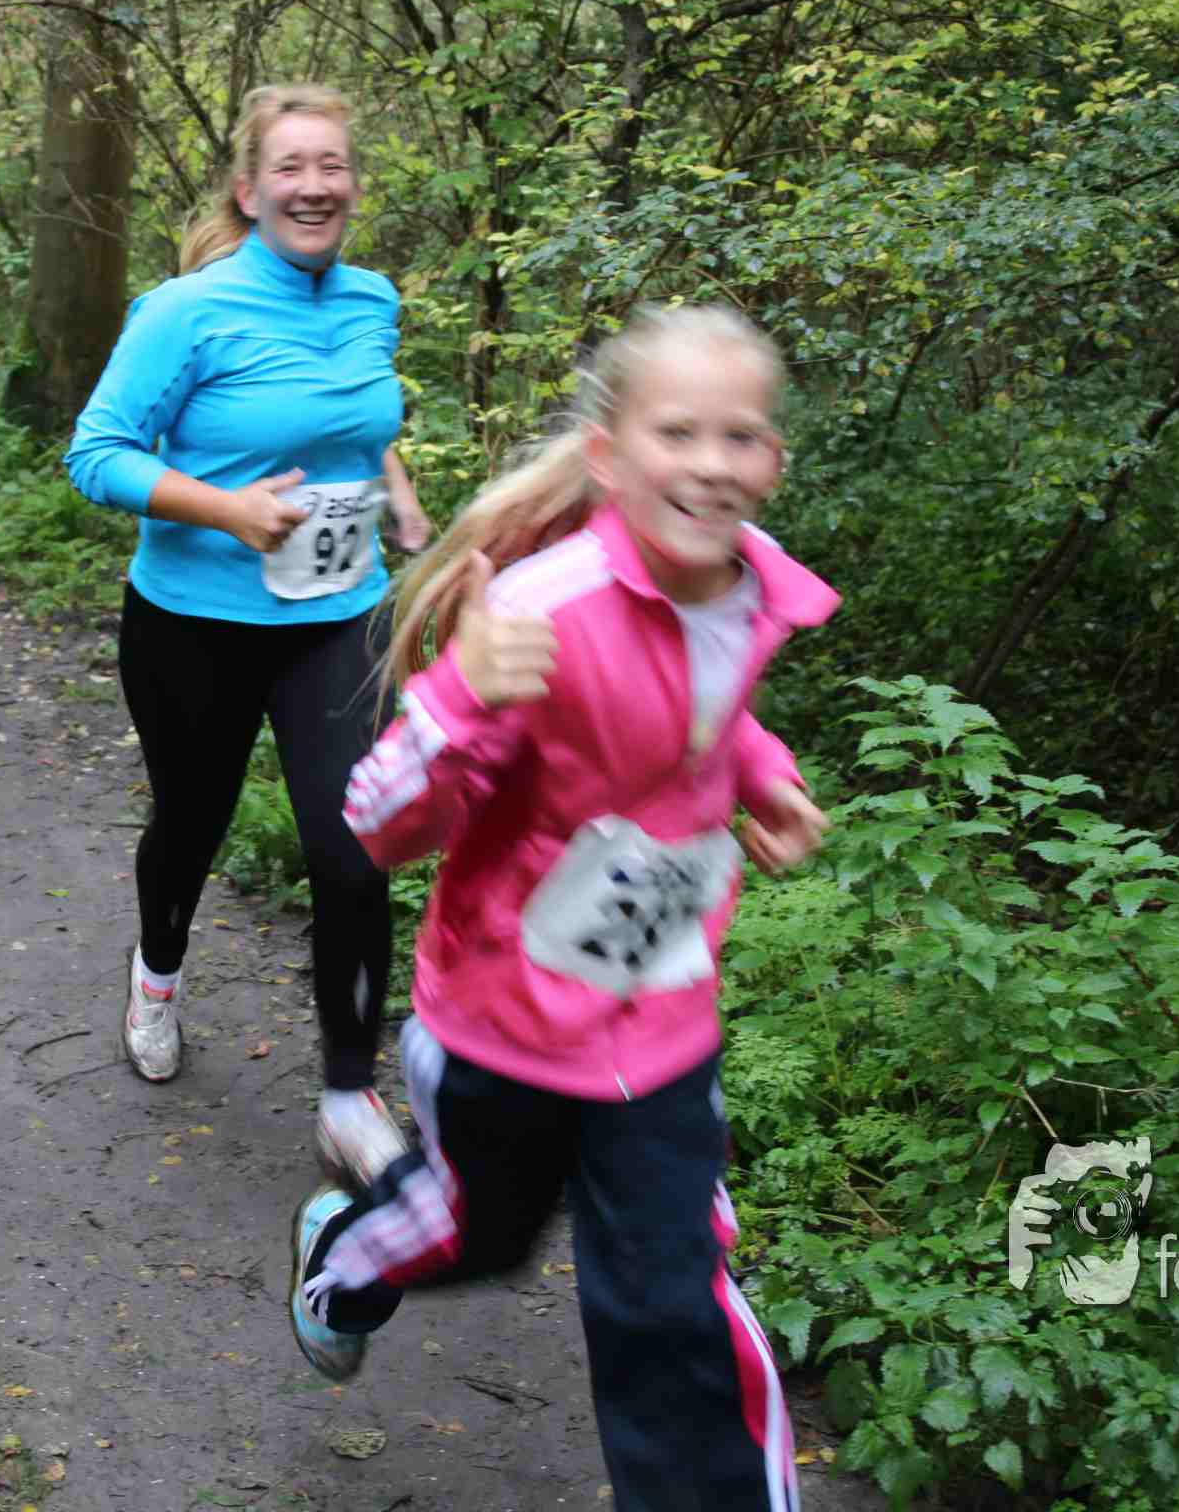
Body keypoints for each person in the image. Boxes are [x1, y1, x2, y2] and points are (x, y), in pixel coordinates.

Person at [285, 303, 838, 1512]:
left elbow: (697, 717)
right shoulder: (546, 610)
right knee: (477, 1238)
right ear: (608, 456)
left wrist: (765, 776)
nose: (711, 463)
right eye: (677, 432)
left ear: (775, 460)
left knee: (674, 1297)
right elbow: (380, 822)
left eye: (740, 436)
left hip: (660, 1027)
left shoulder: (748, 591)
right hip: (503, 1026)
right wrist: (463, 696)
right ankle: (345, 1255)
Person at [64, 83, 430, 1186]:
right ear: (249, 190)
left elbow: (353, 417)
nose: (315, 186)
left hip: (340, 617)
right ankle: (158, 972)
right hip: (194, 624)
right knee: (192, 824)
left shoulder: (371, 300)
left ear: (353, 185)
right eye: (291, 167)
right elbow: (97, 454)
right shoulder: (187, 312)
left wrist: (396, 493)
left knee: (356, 842)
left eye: (333, 166)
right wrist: (227, 509)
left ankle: (350, 1094)